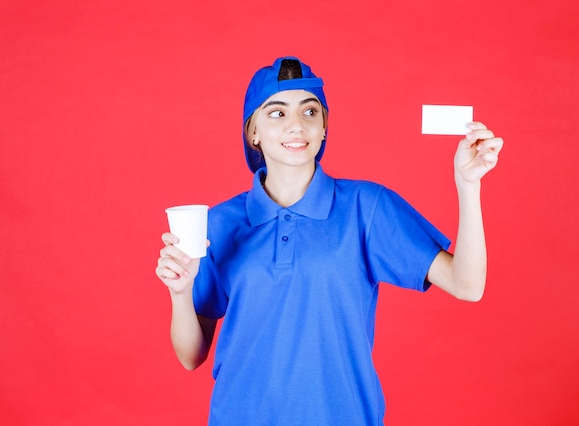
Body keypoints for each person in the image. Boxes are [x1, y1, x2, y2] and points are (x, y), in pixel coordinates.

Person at [155, 56, 503, 425]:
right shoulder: (219, 223)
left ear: (324, 128)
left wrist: (468, 186)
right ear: (252, 131)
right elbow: (191, 355)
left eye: (310, 112)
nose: (296, 126)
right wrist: (180, 292)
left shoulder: (365, 207)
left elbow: (468, 285)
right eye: (277, 113)